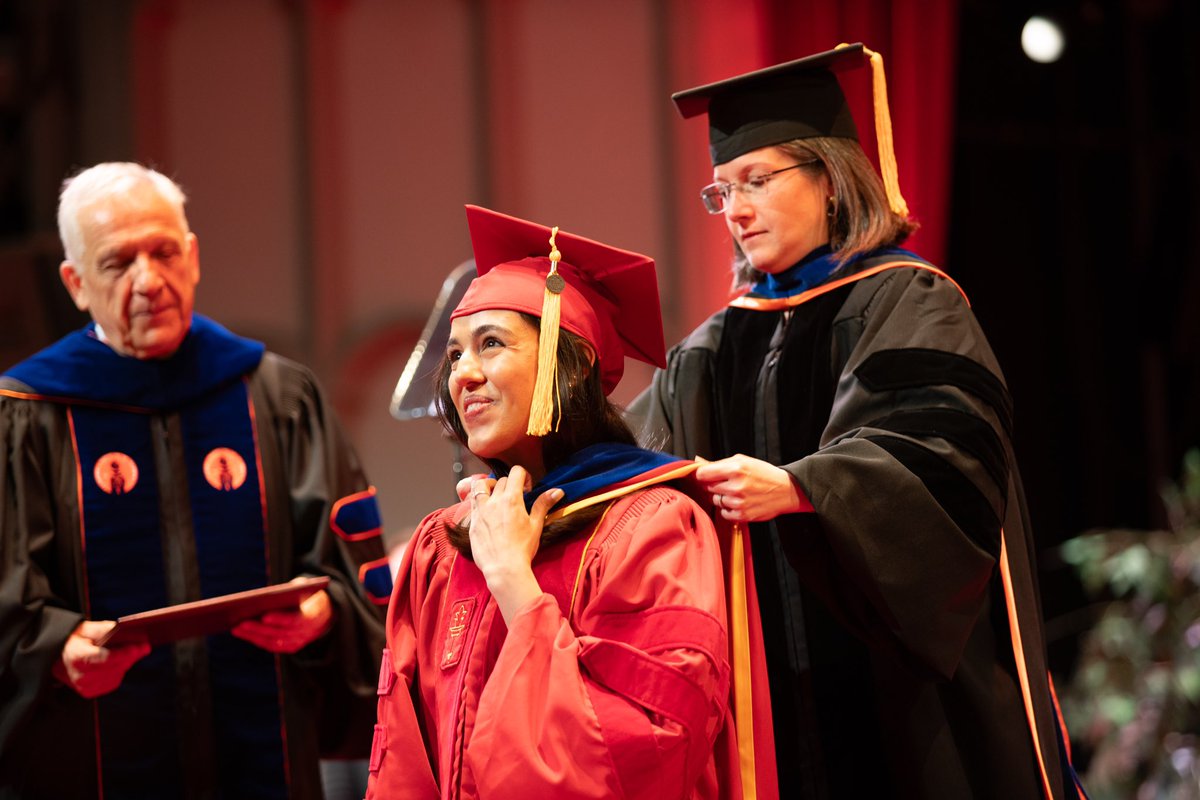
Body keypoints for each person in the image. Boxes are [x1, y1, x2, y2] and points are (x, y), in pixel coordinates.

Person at [628, 44, 1087, 799]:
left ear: (831, 178)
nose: (736, 211)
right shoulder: (709, 352)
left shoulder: (910, 300)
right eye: (721, 192)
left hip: (906, 700)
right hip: (772, 709)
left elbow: (949, 453)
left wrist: (805, 488)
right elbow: (635, 474)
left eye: (756, 181)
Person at [0, 162, 393, 798]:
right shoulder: (29, 413)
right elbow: (7, 599)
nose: (148, 281)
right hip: (87, 762)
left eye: (163, 252)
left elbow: (351, 576)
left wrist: (325, 614)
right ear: (75, 283)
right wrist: (57, 649)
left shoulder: (275, 396)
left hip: (264, 763)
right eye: (118, 262)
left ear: (194, 257)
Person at [366, 205, 775, 799]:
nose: (464, 374)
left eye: (491, 344)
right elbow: (403, 757)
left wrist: (516, 588)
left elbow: (647, 752)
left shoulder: (653, 525)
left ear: (573, 362)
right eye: (455, 354)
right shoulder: (446, 544)